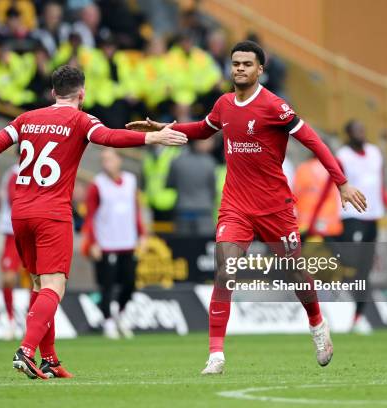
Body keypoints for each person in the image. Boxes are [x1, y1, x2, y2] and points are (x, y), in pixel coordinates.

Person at [0, 65, 187, 380]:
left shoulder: (26, 119)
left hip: (20, 214)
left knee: (39, 285)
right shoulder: (81, 119)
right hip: (52, 214)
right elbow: (108, 138)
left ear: (53, 93)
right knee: (55, 285)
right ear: (82, 93)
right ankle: (26, 350)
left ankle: (49, 358)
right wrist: (153, 137)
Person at [127, 40, 367, 374]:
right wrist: (163, 129)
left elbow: (313, 141)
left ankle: (316, 324)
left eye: (246, 64)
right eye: (235, 63)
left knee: (295, 273)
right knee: (225, 271)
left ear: (260, 70)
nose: (239, 68)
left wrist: (341, 182)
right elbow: (200, 130)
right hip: (235, 206)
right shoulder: (224, 104)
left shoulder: (274, 107)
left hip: (275, 208)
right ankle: (215, 355)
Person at [335, 120, 387, 335]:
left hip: (372, 217)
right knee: (351, 264)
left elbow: (379, 185)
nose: (361, 133)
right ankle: (343, 303)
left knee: (364, 269)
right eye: (356, 130)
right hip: (351, 216)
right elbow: (334, 184)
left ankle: (358, 315)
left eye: (363, 129)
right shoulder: (343, 156)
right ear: (348, 134)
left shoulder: (374, 153)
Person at [82, 148, 145, 339]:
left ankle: (121, 313)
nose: (106, 163)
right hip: (106, 243)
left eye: (109, 159)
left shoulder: (130, 181)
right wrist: (92, 241)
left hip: (127, 241)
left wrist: (142, 233)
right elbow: (90, 216)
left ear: (119, 160)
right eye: (103, 160)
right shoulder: (97, 185)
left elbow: (136, 210)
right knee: (107, 285)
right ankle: (108, 320)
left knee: (130, 283)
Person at [167, 138, 216, 235]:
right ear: (197, 142)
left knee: (184, 246)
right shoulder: (210, 162)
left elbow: (170, 184)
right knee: (204, 245)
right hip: (204, 212)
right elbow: (213, 190)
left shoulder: (177, 161)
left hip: (183, 210)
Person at [0, 162, 22, 339]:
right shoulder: (14, 173)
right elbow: (13, 199)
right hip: (13, 231)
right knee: (8, 277)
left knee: (40, 278)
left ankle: (34, 321)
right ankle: (9, 319)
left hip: (37, 230)